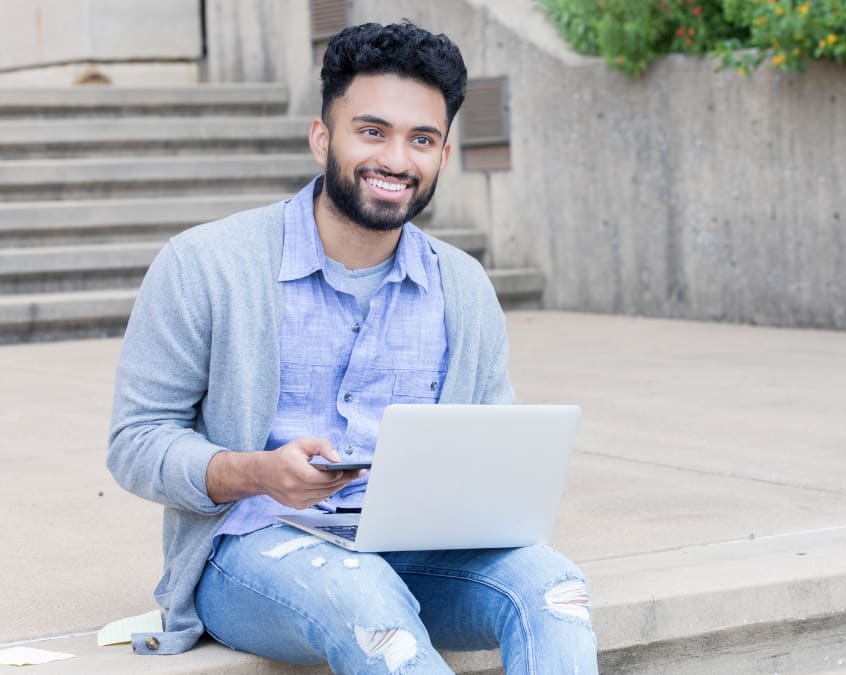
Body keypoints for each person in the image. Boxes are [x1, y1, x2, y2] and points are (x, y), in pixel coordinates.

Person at [107, 21, 598, 674]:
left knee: (554, 588)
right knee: (371, 609)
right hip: (253, 548)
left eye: (421, 139)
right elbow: (136, 442)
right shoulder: (205, 264)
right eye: (372, 131)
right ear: (322, 137)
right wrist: (258, 471)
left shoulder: (463, 287)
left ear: (442, 157)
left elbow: (490, 449)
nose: (397, 160)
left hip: (416, 551)